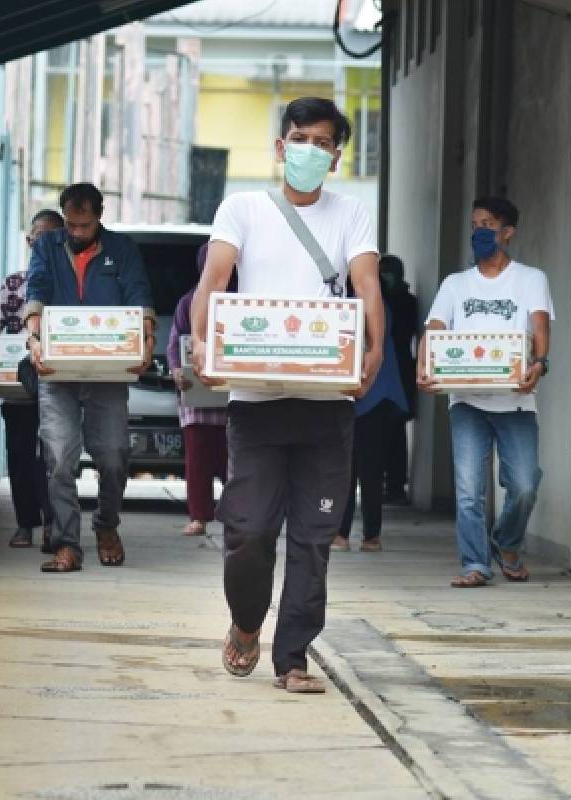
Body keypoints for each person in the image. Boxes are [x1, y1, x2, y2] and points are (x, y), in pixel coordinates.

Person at [189, 97, 385, 693]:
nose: (310, 150)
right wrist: (201, 343)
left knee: (313, 538)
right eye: (300, 138)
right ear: (280, 147)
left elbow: (367, 284)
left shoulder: (352, 213)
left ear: (336, 155)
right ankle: (246, 622)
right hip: (256, 402)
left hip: (327, 408)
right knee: (247, 531)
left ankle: (293, 656)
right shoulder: (243, 208)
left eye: (323, 142)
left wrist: (374, 351)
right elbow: (213, 282)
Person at [419, 196, 553, 588]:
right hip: (467, 402)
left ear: (507, 232)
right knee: (468, 490)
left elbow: (540, 326)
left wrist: (540, 363)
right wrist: (423, 368)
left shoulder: (530, 279)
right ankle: (475, 564)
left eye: (488, 224)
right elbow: (435, 329)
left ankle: (507, 543)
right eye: (475, 224)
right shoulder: (455, 284)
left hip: (516, 402)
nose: (480, 231)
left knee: (525, 485)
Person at [24, 182, 156, 574]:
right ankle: (67, 543)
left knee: (114, 456)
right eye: (71, 224)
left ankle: (106, 524)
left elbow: (138, 295)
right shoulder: (48, 246)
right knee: (59, 458)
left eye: (84, 225)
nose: (77, 233)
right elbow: (38, 289)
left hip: (107, 370)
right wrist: (34, 337)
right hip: (57, 369)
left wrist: (146, 340)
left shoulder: (122, 249)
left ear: (100, 216)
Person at [0, 209, 64, 550]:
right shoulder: (13, 284)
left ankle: (52, 522)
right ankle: (24, 523)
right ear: (28, 242)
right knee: (19, 454)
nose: (42, 244)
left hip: (59, 386)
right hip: (16, 386)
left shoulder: (68, 287)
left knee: (55, 456)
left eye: (51, 238)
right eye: (37, 238)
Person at [167, 243, 235, 537]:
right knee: (197, 461)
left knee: (235, 460)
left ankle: (237, 513)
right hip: (197, 399)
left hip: (232, 399)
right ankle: (199, 517)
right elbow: (174, 344)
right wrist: (176, 371)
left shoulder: (241, 301)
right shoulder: (189, 302)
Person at [333, 297, 409, 553]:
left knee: (368, 468)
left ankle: (367, 535)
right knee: (350, 467)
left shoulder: (374, 304)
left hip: (374, 394)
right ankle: (346, 533)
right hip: (348, 393)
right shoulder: (344, 297)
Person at [379, 255, 419, 504]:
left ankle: (395, 485)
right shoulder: (373, 299)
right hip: (376, 370)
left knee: (395, 428)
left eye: (388, 272)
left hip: (401, 371)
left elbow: (407, 332)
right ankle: (380, 481)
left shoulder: (407, 302)